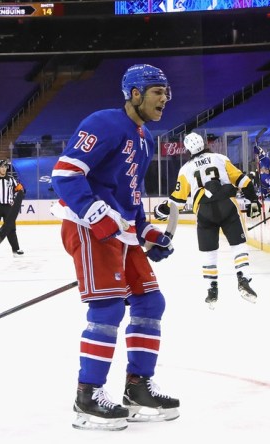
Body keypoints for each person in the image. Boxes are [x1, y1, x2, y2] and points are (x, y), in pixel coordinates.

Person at [51, 64, 179, 431]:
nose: (165, 98)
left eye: (167, 92)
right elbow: (66, 172)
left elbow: (131, 198)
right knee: (107, 307)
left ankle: (138, 387)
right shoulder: (103, 123)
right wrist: (95, 214)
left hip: (120, 231)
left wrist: (147, 232)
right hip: (88, 227)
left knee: (150, 301)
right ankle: (88, 395)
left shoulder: (145, 138)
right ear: (135, 93)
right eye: (158, 91)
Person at [154, 132, 261, 310]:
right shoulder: (220, 158)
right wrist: (253, 200)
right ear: (203, 143)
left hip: (204, 212)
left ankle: (212, 289)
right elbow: (244, 181)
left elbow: (177, 201)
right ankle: (243, 279)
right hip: (227, 205)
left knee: (208, 252)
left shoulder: (186, 169)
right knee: (238, 245)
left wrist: (162, 209)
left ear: (188, 149)